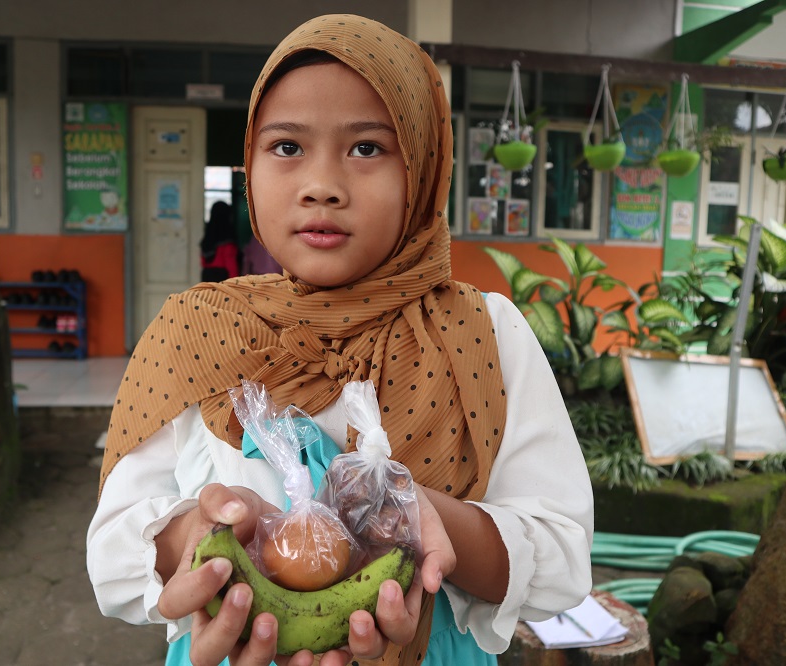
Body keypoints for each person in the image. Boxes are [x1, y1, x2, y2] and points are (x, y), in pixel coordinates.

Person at [88, 13, 593, 666]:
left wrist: (420, 516)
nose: (321, 184)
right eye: (287, 147)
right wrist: (201, 538)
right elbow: (112, 557)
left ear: (422, 167)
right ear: (249, 166)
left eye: (366, 148)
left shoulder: (485, 333)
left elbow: (560, 562)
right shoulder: (198, 332)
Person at [201, 200, 240, 282]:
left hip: (206, 277)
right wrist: (236, 285)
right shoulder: (227, 243)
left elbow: (203, 263)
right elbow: (232, 268)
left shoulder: (206, 240)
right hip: (223, 279)